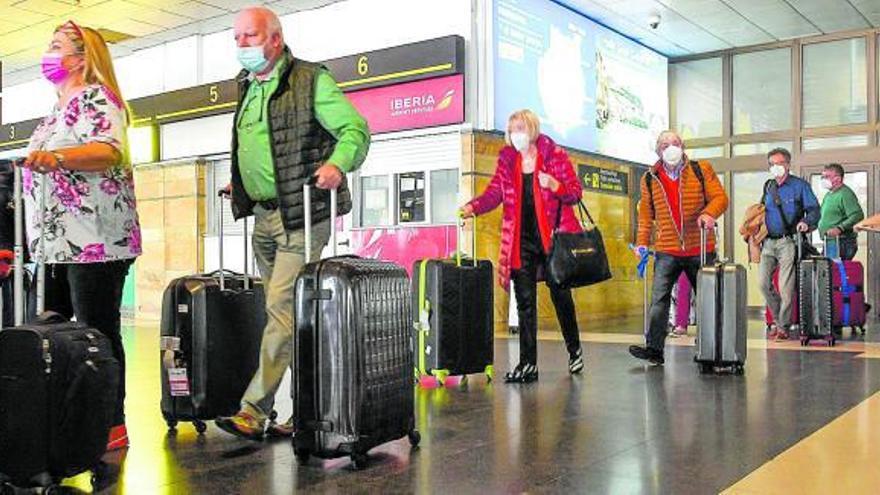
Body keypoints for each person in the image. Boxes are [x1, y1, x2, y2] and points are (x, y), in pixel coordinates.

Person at [215, 7, 369, 441]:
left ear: (275, 40)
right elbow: (263, 146)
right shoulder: (246, 86)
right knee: (287, 317)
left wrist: (339, 164)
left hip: (302, 215)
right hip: (262, 216)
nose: (241, 44)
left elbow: (356, 129)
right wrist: (242, 183)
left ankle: (254, 410)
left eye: (250, 36)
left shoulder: (310, 80)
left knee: (281, 312)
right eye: (237, 38)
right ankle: (306, 409)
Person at [20, 21, 141, 451]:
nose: (48, 54)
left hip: (95, 240)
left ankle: (112, 423)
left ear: (82, 57)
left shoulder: (97, 97)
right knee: (52, 331)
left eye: (56, 46)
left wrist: (55, 157)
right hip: (55, 242)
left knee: (98, 330)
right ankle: (68, 418)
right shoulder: (55, 109)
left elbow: (108, 150)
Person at [460, 109, 584, 383]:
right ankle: (528, 365)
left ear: (532, 128)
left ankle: (574, 350)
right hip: (520, 242)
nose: (516, 133)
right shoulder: (507, 159)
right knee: (525, 302)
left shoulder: (554, 155)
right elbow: (495, 193)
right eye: (512, 127)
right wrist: (473, 207)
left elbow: (575, 192)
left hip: (552, 239)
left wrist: (555, 185)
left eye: (521, 127)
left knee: (561, 297)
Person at [628, 130, 728, 366]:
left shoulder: (700, 169)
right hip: (667, 249)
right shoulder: (650, 179)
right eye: (664, 144)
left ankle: (711, 349)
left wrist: (708, 213)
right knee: (659, 299)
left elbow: (720, 198)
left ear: (682, 146)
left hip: (699, 246)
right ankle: (654, 349)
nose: (670, 147)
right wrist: (642, 243)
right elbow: (645, 216)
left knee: (708, 300)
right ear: (658, 150)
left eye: (674, 143)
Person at [758, 148, 820, 341]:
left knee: (786, 287)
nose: (776, 167)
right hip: (768, 243)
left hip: (788, 241)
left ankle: (783, 327)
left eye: (780, 163)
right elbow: (762, 211)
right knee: (762, 284)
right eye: (772, 164)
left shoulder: (799, 186)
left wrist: (807, 223)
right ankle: (778, 320)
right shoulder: (768, 186)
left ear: (788, 164)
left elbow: (814, 210)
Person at [818, 163, 864, 260]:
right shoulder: (828, 195)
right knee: (828, 272)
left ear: (838, 178)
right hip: (830, 241)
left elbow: (857, 215)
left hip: (841, 242)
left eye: (827, 176)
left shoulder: (845, 194)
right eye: (822, 176)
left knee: (835, 272)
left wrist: (840, 228)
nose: (823, 179)